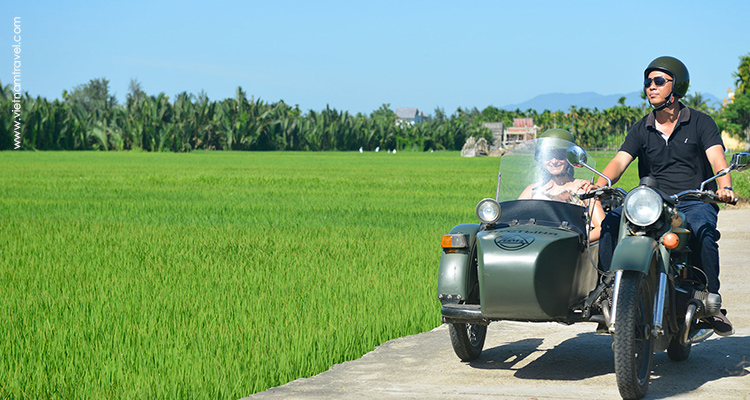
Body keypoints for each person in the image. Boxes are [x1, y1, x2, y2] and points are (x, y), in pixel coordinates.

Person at [592, 56, 735, 336]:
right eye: (647, 82)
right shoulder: (642, 127)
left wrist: (725, 187)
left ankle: (710, 300)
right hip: (651, 202)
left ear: (676, 86)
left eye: (658, 81)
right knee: (610, 223)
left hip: (693, 200)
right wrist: (597, 184)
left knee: (704, 231)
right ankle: (608, 293)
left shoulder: (701, 122)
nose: (650, 87)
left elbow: (717, 160)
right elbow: (619, 162)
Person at [519, 129, 605, 242]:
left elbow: (601, 227)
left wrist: (577, 241)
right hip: (535, 245)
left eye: (560, 155)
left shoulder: (583, 188)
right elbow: (514, 219)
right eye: (548, 155)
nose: (554, 161)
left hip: (570, 252)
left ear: (570, 158)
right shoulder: (532, 190)